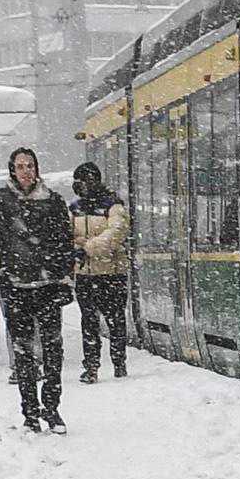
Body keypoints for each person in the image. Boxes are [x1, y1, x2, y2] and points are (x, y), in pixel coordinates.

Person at [0, 145, 78, 432]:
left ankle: (52, 408)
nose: (26, 171)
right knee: (23, 351)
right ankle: (30, 411)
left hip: (48, 285)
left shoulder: (53, 202)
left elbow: (66, 242)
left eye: (30, 165)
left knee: (53, 349)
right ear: (12, 170)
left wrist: (64, 275)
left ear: (37, 168)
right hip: (15, 286)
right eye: (20, 166)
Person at [69, 162, 134, 381]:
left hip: (112, 274)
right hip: (85, 275)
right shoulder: (75, 208)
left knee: (115, 319)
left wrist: (86, 247)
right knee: (88, 321)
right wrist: (81, 246)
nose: (81, 186)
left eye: (85, 181)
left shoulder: (113, 205)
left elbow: (115, 234)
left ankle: (119, 362)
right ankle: (91, 366)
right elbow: (66, 236)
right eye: (78, 182)